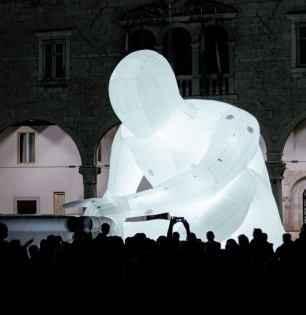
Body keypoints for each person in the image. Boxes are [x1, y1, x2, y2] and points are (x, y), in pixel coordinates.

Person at [65, 50, 285, 247]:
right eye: (123, 108)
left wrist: (127, 204)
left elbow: (207, 180)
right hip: (183, 227)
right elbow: (116, 196)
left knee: (245, 178)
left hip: (248, 227)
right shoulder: (128, 134)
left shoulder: (232, 121)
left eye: (138, 103)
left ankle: (190, 246)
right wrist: (101, 214)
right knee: (118, 228)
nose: (132, 116)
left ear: (162, 90)